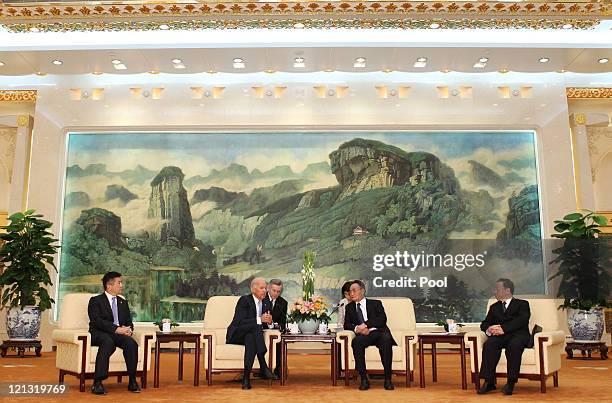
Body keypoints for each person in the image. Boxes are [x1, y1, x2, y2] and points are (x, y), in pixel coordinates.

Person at [88, 271, 140, 395]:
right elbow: (96, 321)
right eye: (119, 282)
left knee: (131, 343)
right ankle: (98, 382)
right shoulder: (96, 301)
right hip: (99, 333)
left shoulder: (123, 302)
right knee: (107, 341)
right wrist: (116, 329)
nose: (121, 285)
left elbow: (128, 321)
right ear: (109, 285)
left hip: (118, 334)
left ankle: (132, 380)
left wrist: (129, 330)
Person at [477, 278, 531, 396]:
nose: (494, 292)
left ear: (507, 290)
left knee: (514, 346)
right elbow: (484, 323)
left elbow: (522, 320)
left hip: (518, 335)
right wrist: (489, 329)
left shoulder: (522, 304)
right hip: (500, 337)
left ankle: (511, 382)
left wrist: (504, 329)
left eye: (497, 289)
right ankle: (488, 382)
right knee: (489, 344)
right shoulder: (494, 307)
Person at [226, 277, 279, 389]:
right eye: (261, 288)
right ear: (253, 289)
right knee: (256, 326)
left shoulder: (266, 302)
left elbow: (268, 324)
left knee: (251, 338)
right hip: (237, 333)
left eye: (265, 288)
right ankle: (263, 365)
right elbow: (239, 322)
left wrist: (269, 322)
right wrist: (259, 319)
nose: (265, 290)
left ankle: (246, 379)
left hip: (250, 336)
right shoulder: (244, 300)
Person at [343, 280, 396, 391]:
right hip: (364, 335)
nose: (351, 293)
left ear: (362, 291)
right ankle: (364, 379)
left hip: (379, 332)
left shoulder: (375, 303)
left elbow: (382, 320)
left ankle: (388, 379)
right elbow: (347, 325)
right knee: (356, 342)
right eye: (349, 291)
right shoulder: (349, 307)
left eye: (354, 290)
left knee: (386, 339)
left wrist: (365, 325)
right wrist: (358, 329)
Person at [262, 278, 288, 377]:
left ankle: (278, 371)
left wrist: (272, 324)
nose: (276, 293)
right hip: (260, 330)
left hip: (273, 332)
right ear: (268, 288)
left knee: (280, 341)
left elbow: (282, 323)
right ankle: (262, 371)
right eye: (274, 291)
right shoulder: (261, 298)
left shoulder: (283, 303)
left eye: (278, 291)